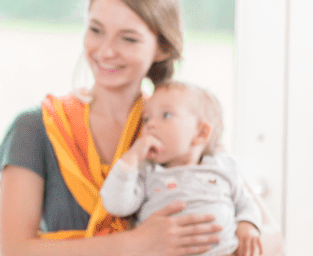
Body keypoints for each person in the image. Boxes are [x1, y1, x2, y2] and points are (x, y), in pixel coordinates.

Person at [0, 0, 283, 255]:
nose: (106, 51)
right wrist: (136, 244)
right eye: (96, 30)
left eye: (128, 38)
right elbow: (14, 249)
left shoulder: (173, 126)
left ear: (162, 47)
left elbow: (272, 238)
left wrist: (226, 238)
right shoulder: (38, 127)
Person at [99, 81, 262, 256]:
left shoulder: (222, 165)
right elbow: (115, 204)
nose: (150, 124)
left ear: (201, 133)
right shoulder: (147, 171)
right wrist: (131, 157)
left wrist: (248, 225)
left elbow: (245, 203)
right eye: (146, 118)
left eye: (166, 115)